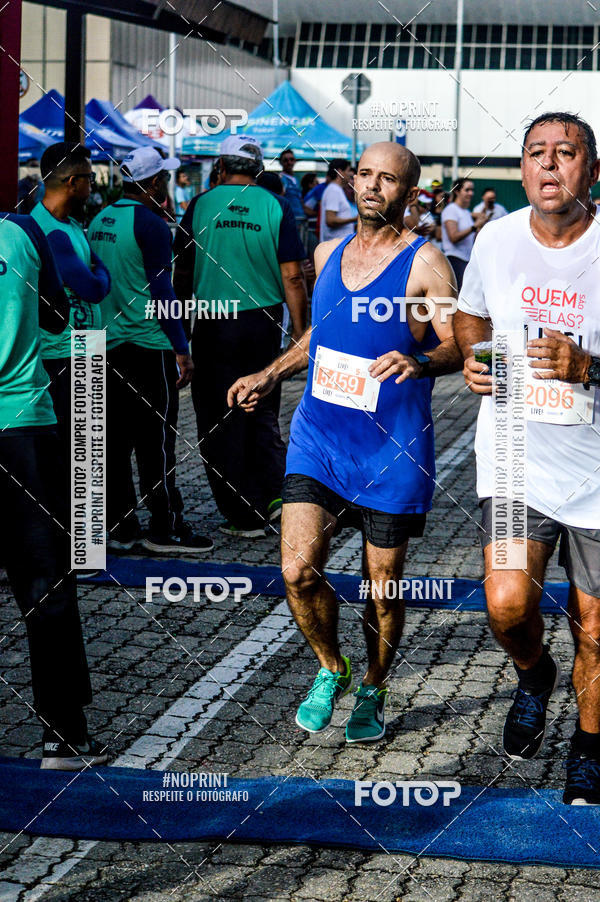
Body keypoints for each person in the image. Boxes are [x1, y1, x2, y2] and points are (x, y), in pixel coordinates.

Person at [228, 142, 461, 742]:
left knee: (382, 591)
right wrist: (270, 373)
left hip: (392, 450)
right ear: (351, 181)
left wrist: (420, 362)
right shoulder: (326, 251)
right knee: (299, 570)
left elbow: (457, 343)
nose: (372, 186)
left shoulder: (426, 262)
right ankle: (334, 667)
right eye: (364, 174)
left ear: (409, 195)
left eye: (388, 179)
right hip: (321, 438)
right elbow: (318, 338)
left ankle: (375, 686)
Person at [454, 111, 600, 805]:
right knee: (508, 604)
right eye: (535, 153)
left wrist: (588, 366)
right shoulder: (497, 237)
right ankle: (536, 673)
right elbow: (470, 312)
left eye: (565, 153)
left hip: (596, 473)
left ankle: (591, 745)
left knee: (596, 627)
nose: (548, 165)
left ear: (591, 171)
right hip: (515, 455)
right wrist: (471, 356)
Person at [0, 212, 107, 769]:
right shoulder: (23, 231)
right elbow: (54, 314)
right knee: (44, 582)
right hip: (23, 422)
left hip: (24, 419)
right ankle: (64, 734)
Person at [173, 135, 307, 538]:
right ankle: (276, 497)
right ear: (259, 168)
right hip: (261, 323)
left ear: (221, 166)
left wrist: (180, 336)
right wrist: (301, 332)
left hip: (213, 323)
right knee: (260, 410)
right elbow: (293, 276)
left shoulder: (200, 205)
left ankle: (242, 513)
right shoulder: (275, 206)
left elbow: (180, 275)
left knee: (216, 419)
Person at [88, 146, 212, 554]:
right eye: (165, 176)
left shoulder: (100, 220)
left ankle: (122, 528)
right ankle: (166, 528)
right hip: (149, 345)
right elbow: (163, 291)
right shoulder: (153, 225)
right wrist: (182, 346)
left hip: (109, 345)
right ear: (155, 182)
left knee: (116, 441)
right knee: (156, 441)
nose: (169, 182)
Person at [32, 142, 111, 489]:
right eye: (90, 179)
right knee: (80, 455)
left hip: (84, 346)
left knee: (89, 453)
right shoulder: (49, 232)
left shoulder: (71, 226)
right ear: (72, 182)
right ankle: (80, 540)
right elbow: (95, 286)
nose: (92, 186)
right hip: (67, 353)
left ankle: (87, 540)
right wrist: (97, 273)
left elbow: (98, 274)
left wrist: (97, 273)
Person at [441, 178, 487, 291]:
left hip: (466, 259)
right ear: (457, 191)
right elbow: (453, 237)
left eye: (472, 190)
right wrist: (474, 226)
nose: (471, 193)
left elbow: (471, 237)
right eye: (467, 190)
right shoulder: (451, 210)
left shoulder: (466, 212)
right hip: (454, 259)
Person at [320, 159, 358, 242]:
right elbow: (330, 220)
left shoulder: (337, 190)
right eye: (348, 171)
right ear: (340, 172)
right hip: (335, 245)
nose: (349, 175)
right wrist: (355, 219)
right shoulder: (333, 190)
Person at [279, 149, 308, 223]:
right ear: (281, 162)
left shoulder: (295, 179)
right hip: (289, 220)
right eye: (286, 160)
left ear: (295, 161)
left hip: (300, 219)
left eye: (291, 159)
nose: (289, 162)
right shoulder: (281, 179)